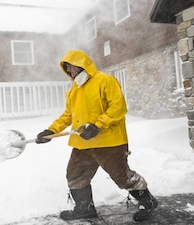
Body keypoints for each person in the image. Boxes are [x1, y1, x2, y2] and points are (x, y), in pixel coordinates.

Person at [35, 49, 158, 222]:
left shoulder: (105, 80)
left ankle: (148, 202)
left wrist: (98, 126)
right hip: (83, 143)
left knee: (122, 177)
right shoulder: (74, 90)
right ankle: (84, 209)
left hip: (109, 142)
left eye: (70, 67)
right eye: (66, 69)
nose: (68, 71)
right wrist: (51, 131)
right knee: (76, 176)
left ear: (80, 65)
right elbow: (68, 115)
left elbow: (118, 107)